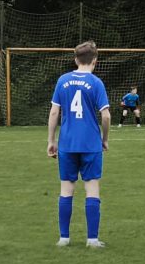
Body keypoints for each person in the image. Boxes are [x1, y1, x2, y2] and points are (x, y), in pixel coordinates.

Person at [47, 41, 111, 248]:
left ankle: (64, 238)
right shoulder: (96, 82)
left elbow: (54, 112)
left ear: (75, 59)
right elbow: (106, 115)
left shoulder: (62, 80)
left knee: (66, 190)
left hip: (67, 143)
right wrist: (104, 139)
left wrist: (51, 140)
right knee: (92, 189)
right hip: (91, 143)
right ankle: (92, 239)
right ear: (95, 61)